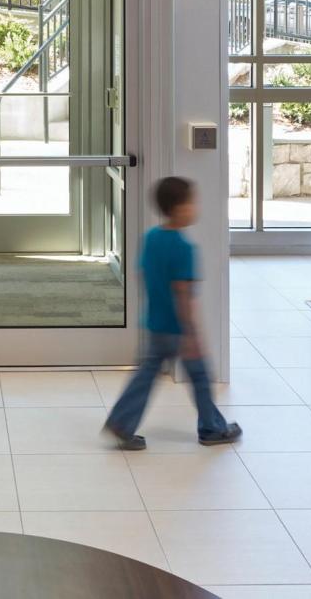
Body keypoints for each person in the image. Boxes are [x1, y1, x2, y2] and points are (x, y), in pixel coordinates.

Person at [103, 176, 241, 450]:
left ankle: (121, 421)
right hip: (178, 329)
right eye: (192, 203)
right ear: (178, 209)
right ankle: (212, 428)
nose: (195, 208)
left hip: (155, 322)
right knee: (200, 377)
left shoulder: (151, 238)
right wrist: (191, 335)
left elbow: (142, 274)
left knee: (146, 374)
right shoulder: (184, 248)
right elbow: (182, 293)